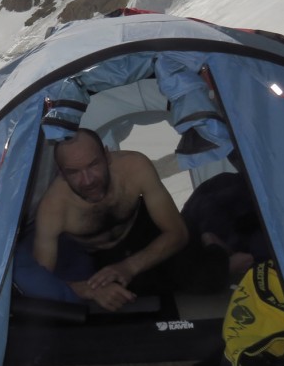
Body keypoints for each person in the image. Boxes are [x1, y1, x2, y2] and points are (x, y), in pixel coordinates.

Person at [13, 128, 227, 310]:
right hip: (103, 253)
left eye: (93, 165)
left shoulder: (135, 166)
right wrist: (89, 289)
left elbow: (177, 233)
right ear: (61, 172)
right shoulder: (53, 208)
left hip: (144, 226)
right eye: (74, 172)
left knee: (206, 279)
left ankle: (213, 245)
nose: (87, 180)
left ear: (107, 156)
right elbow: (44, 282)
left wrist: (130, 267)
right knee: (125, 298)